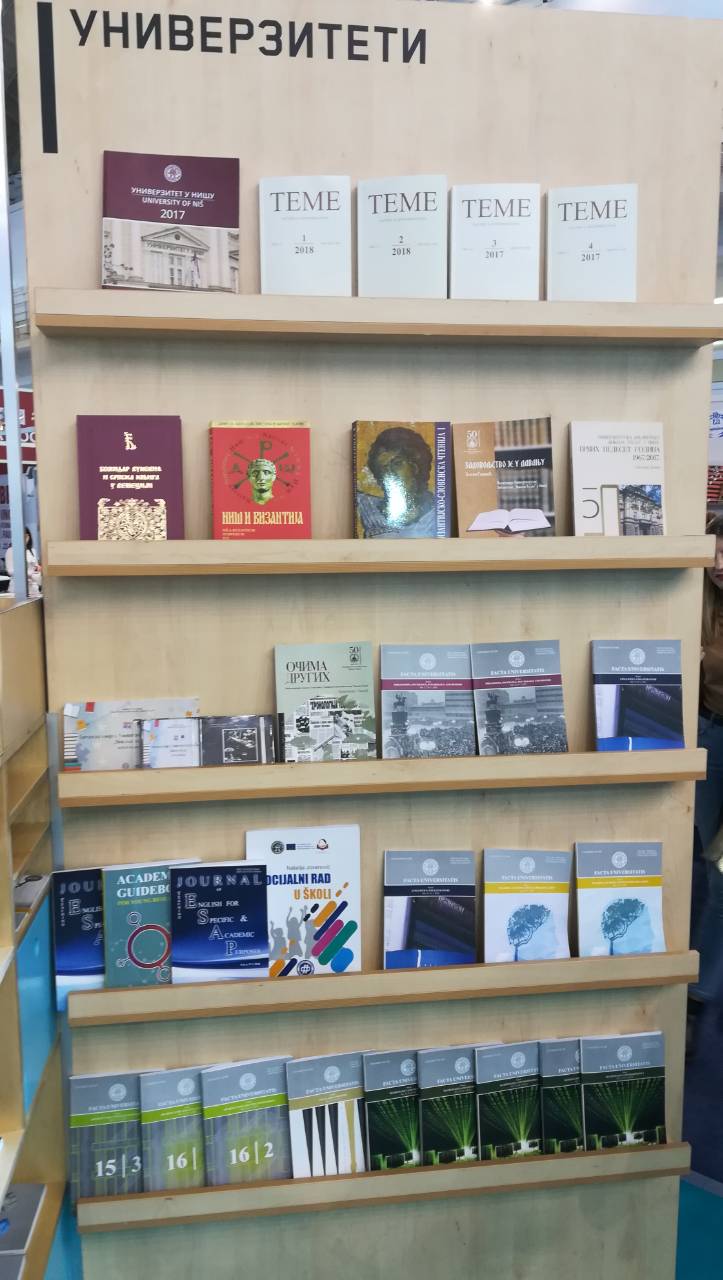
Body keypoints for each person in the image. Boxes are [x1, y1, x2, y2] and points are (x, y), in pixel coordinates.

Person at [689, 511, 723, 1045]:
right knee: (696, 859)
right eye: (715, 552)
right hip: (709, 731)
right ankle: (693, 997)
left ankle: (703, 992)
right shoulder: (698, 601)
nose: (720, 564)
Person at [357, 426, 436, 538]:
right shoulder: (368, 507)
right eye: (383, 469)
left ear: (415, 466)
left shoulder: (437, 514)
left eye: (397, 464)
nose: (391, 473)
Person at [4, 528, 41, 598]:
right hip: (17, 588)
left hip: (33, 589)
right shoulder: (11, 550)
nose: (25, 539)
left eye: (26, 536)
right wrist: (29, 574)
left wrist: (37, 568)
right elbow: (10, 571)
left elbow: (35, 566)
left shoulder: (32, 550)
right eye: (22, 536)